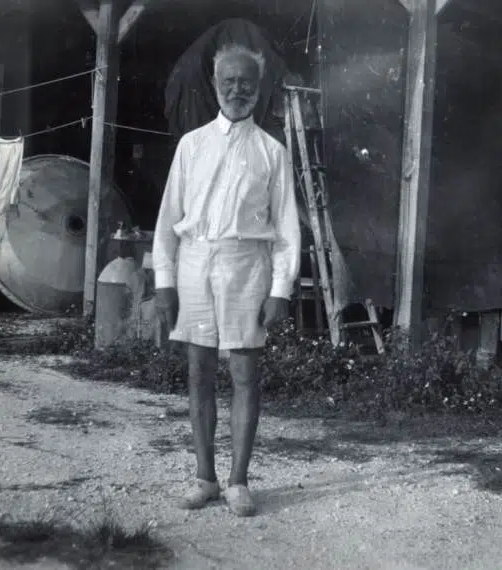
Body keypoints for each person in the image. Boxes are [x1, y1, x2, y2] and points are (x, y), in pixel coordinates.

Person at [151, 43, 301, 517]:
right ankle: (205, 478)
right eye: (229, 81)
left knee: (244, 375)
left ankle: (238, 482)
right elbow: (168, 219)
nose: (237, 90)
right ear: (214, 84)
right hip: (195, 263)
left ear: (260, 88)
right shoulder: (191, 145)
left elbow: (286, 229)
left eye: (246, 83)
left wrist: (280, 290)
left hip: (247, 266)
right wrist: (164, 281)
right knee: (198, 372)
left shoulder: (272, 152)